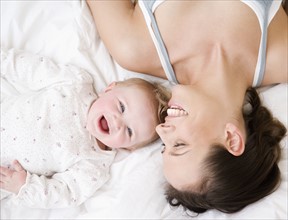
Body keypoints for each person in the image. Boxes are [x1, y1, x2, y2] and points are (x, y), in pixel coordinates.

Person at [87, 0, 287, 214]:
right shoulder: (281, 58)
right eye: (180, 145)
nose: (161, 130)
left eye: (165, 146)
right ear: (232, 138)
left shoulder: (134, 47)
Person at [0, 48, 170, 208]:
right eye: (121, 107)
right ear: (110, 88)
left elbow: (65, 194)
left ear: (127, 147)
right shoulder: (75, 84)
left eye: (129, 131)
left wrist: (24, 186)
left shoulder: (94, 165)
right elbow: (29, 69)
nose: (117, 122)